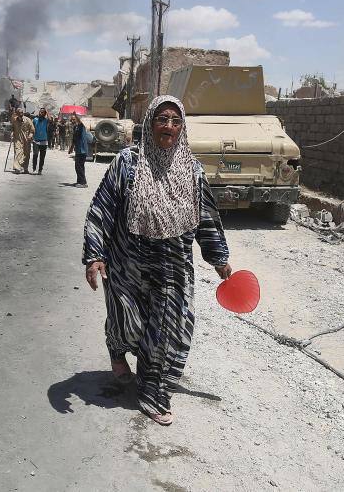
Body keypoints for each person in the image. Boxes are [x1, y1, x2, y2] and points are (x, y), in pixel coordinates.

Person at [82, 95, 232, 427]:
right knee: (130, 323)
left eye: (176, 121)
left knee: (166, 331)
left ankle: (153, 392)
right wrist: (95, 255)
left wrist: (219, 257)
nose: (169, 126)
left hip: (174, 268)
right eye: (162, 119)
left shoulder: (192, 169)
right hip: (128, 263)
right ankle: (117, 348)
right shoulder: (127, 163)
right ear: (150, 123)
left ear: (183, 128)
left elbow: (206, 217)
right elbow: (102, 210)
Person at [68, 114, 89, 187]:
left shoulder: (81, 126)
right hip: (78, 149)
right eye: (72, 119)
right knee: (78, 166)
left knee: (79, 166)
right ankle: (79, 181)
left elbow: (80, 121)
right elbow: (74, 139)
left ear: (77, 119)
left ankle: (83, 183)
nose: (72, 121)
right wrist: (71, 148)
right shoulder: (75, 127)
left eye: (74, 119)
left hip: (82, 149)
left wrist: (76, 115)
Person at [11, 108, 34, 174]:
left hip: (26, 140)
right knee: (18, 152)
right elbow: (12, 128)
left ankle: (25, 168)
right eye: (19, 113)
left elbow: (32, 130)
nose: (21, 114)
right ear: (17, 114)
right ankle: (17, 168)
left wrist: (30, 135)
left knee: (26, 154)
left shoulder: (28, 120)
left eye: (21, 112)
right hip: (17, 139)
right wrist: (12, 133)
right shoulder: (14, 120)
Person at [31, 108, 49, 174]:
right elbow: (32, 128)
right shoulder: (35, 120)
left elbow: (50, 120)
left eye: (42, 112)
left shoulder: (46, 120)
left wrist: (47, 112)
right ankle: (34, 169)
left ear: (44, 114)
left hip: (44, 141)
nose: (41, 113)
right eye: (40, 112)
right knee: (35, 155)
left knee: (42, 157)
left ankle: (40, 170)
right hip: (36, 140)